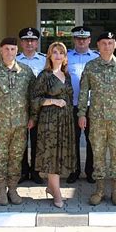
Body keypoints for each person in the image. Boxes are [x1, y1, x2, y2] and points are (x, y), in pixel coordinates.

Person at [78, 32, 116, 206]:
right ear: (98, 45)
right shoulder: (91, 66)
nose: (107, 46)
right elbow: (83, 92)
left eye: (110, 43)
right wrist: (82, 113)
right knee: (98, 155)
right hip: (96, 119)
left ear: (115, 45)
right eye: (103, 43)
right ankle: (99, 190)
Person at [0, 37, 35, 206]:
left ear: (16, 51)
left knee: (16, 158)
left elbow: (32, 97)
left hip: (20, 124)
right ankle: (1, 189)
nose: (10, 52)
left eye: (12, 49)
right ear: (1, 51)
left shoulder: (25, 71)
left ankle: (13, 188)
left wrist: (32, 117)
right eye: (6, 49)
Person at [32, 42, 76, 208]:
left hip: (65, 121)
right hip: (49, 121)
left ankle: (51, 187)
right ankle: (57, 193)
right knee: (51, 156)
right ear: (49, 55)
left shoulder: (67, 75)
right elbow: (35, 99)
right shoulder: (44, 75)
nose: (58, 55)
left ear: (65, 57)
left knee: (59, 156)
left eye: (61, 53)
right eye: (55, 52)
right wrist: (53, 101)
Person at [66, 26, 99, 184]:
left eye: (84, 38)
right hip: (72, 104)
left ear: (89, 40)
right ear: (74, 40)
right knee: (73, 140)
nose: (81, 41)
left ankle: (91, 170)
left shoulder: (97, 57)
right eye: (78, 39)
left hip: (92, 104)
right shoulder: (66, 57)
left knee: (92, 139)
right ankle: (74, 170)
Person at [16, 27, 46, 184]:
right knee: (20, 140)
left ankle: (35, 171)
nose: (29, 43)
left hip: (39, 107)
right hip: (19, 106)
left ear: (37, 43)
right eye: (26, 40)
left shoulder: (44, 60)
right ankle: (22, 171)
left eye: (33, 40)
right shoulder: (15, 60)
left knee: (36, 140)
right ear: (21, 43)